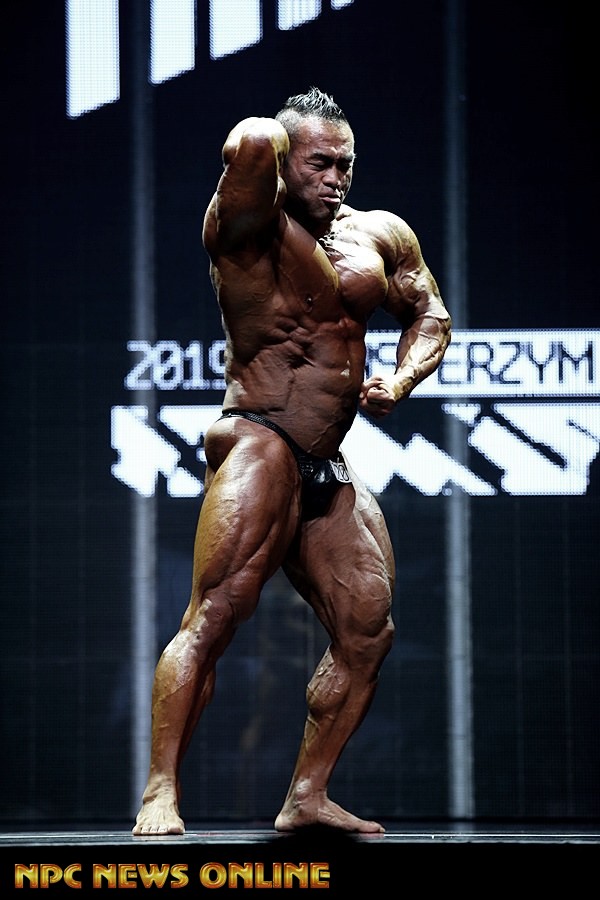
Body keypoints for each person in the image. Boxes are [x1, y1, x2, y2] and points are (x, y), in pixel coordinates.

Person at [133, 86, 451, 836]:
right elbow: (247, 141)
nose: (336, 177)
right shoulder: (245, 226)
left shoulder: (380, 234)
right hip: (260, 436)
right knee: (214, 615)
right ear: (284, 161)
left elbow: (429, 313)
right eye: (319, 163)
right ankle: (160, 791)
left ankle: (306, 796)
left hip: (326, 459)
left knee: (368, 631)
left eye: (346, 164)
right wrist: (271, 144)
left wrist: (400, 380)